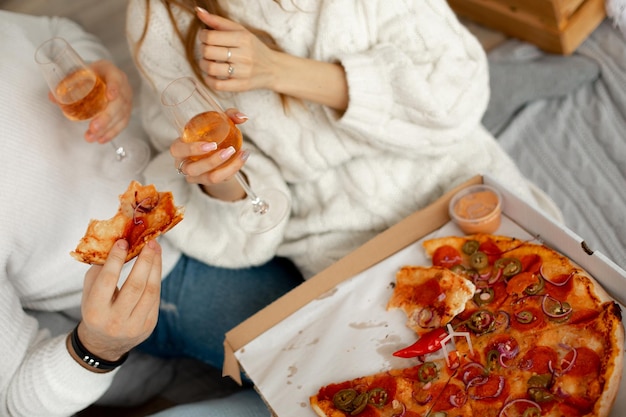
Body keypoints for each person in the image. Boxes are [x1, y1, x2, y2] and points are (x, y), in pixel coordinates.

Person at [125, 0, 563, 415]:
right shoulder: (159, 17)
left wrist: (278, 69)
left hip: (454, 184)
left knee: (553, 347)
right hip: (340, 245)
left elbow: (456, 92)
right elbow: (252, 222)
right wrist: (223, 184)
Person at [0, 9, 302, 417]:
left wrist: (105, 73)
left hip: (177, 168)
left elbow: (56, 32)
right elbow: (14, 401)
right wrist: (98, 347)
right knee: (309, 345)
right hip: (162, 278)